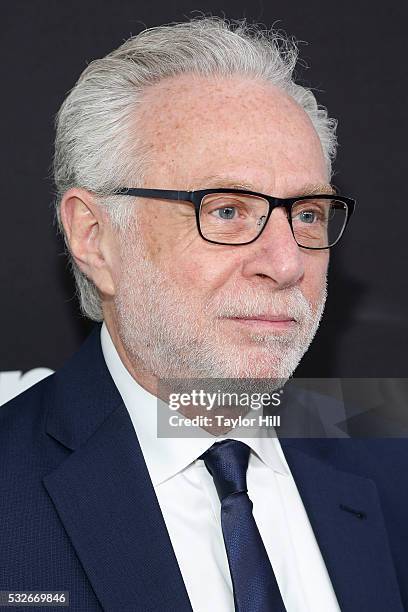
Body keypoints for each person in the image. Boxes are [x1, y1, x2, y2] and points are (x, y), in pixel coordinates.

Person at [0, 16, 407, 612]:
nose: (286, 262)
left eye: (309, 214)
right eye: (225, 211)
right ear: (94, 237)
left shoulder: (385, 455)